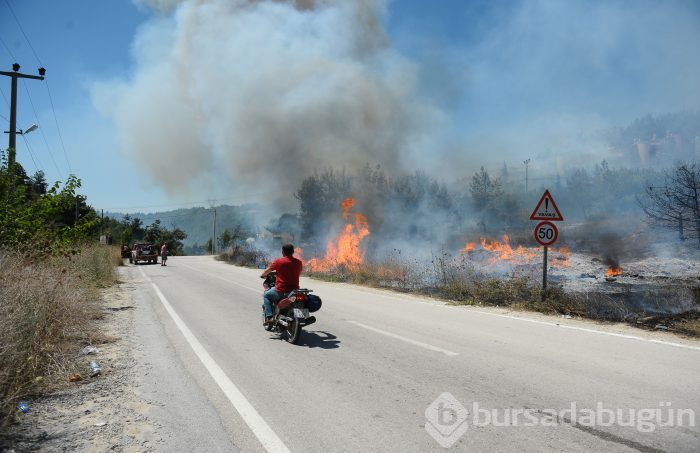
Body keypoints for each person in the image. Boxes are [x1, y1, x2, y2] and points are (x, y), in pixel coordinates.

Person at [260, 244, 303, 325]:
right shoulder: (299, 262)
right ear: (293, 252)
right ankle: (301, 318)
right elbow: (299, 272)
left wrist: (263, 275)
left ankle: (270, 317)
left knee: (266, 295)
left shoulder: (278, 262)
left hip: (281, 291)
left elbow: (267, 271)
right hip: (294, 291)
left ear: (283, 252)